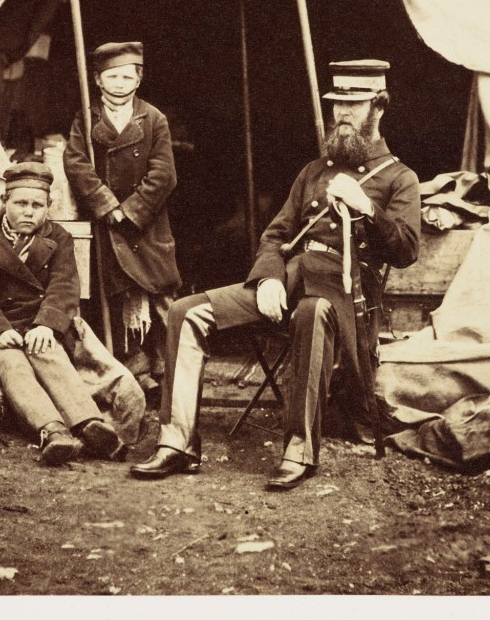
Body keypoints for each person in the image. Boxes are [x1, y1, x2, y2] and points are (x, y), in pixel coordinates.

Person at [129, 60, 421, 490]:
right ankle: (176, 442)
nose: (341, 113)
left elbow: (406, 251)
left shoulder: (400, 177)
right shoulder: (312, 172)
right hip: (290, 280)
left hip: (344, 296)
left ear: (379, 107)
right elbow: (277, 234)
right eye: (336, 103)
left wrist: (367, 208)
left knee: (313, 313)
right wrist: (267, 278)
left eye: (353, 104)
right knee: (186, 313)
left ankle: (299, 451)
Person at [0, 161, 125, 465]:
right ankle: (52, 431)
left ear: (49, 206)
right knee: (14, 366)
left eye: (37, 205)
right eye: (20, 203)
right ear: (4, 202)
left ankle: (90, 424)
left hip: (41, 324)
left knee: (50, 356)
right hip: (5, 329)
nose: (29, 211)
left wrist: (47, 325)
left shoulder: (59, 238)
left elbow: (64, 285)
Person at [63, 42, 182, 399]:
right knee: (113, 304)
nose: (119, 83)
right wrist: (106, 204)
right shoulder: (87, 119)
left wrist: (130, 211)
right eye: (111, 76)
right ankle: (130, 372)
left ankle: (173, 374)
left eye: (127, 76)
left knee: (161, 300)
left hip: (146, 227)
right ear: (97, 80)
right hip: (107, 226)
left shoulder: (153, 118)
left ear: (139, 78)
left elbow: (164, 174)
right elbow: (76, 163)